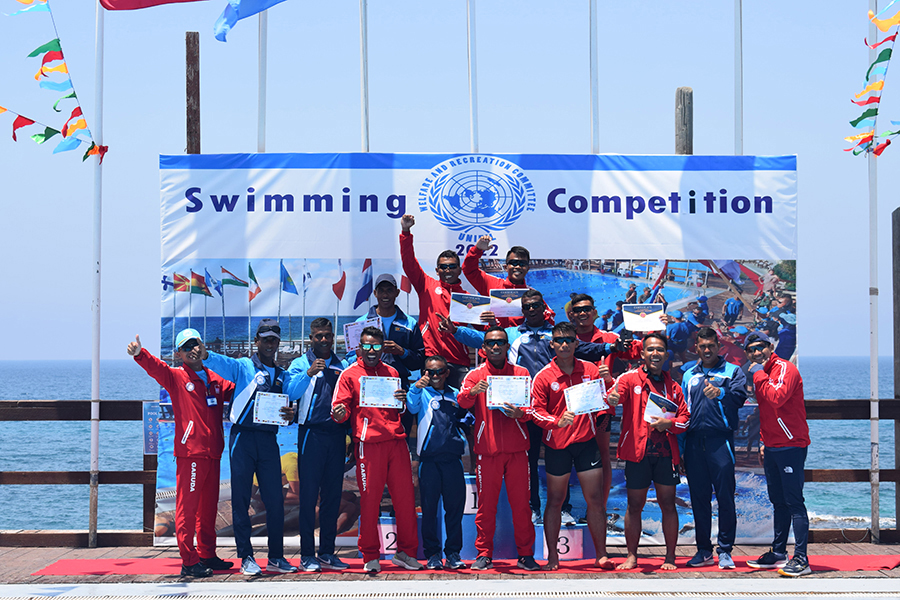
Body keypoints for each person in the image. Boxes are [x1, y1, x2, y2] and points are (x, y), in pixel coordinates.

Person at [128, 330, 234, 577]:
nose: (192, 350)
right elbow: (156, 368)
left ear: (202, 345)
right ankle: (189, 561)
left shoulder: (215, 380)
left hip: (214, 453)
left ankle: (207, 554)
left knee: (208, 508)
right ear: (179, 354)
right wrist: (140, 354)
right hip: (191, 454)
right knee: (187, 509)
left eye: (194, 344)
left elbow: (240, 391)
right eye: (185, 347)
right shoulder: (176, 377)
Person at [201, 319, 299, 576]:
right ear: (256, 342)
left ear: (278, 343)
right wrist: (206, 355)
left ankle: (276, 557)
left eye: (273, 339)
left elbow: (289, 407)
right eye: (264, 338)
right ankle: (246, 557)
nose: (269, 343)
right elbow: (223, 364)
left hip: (268, 441)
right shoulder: (244, 367)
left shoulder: (282, 375)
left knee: (275, 501)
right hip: (242, 440)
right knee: (241, 499)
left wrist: (290, 414)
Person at [331, 326, 424, 573]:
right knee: (370, 502)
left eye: (376, 346)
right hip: (368, 445)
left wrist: (402, 401)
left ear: (383, 347)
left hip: (396, 442)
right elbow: (340, 410)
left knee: (405, 501)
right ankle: (370, 555)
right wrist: (340, 414)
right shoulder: (349, 374)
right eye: (367, 345)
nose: (371, 351)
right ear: (359, 347)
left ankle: (406, 552)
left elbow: (398, 409)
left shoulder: (392, 371)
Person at [530, 322, 616, 571]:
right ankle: (553, 557)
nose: (565, 344)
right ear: (552, 344)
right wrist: (557, 422)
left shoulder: (590, 369)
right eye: (560, 340)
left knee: (596, 500)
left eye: (569, 339)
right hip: (558, 446)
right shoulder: (544, 376)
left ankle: (601, 554)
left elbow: (606, 400)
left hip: (586, 443)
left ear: (577, 343)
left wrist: (611, 392)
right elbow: (536, 412)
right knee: (555, 500)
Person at [457, 326, 539, 571]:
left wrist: (520, 414)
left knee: (522, 505)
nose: (495, 347)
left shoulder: (522, 372)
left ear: (506, 346)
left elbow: (532, 408)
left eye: (500, 342)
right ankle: (484, 553)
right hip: (488, 451)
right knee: (486, 506)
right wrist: (473, 392)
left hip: (517, 451)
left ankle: (525, 555)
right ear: (483, 348)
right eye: (491, 343)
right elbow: (462, 402)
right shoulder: (475, 375)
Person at [613, 332, 689, 571]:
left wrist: (671, 424)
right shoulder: (628, 379)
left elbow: (685, 419)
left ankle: (670, 557)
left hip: (666, 455)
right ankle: (632, 556)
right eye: (650, 350)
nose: (655, 353)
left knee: (668, 504)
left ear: (666, 355)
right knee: (634, 505)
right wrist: (612, 397)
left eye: (659, 350)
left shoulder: (673, 386)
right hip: (638, 453)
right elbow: (613, 396)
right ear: (643, 354)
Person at [284, 318, 350, 572]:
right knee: (309, 497)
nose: (323, 340)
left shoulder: (341, 364)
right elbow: (290, 392)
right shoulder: (300, 363)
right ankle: (307, 555)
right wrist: (308, 372)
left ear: (333, 338)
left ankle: (327, 553)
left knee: (332, 496)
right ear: (310, 338)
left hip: (336, 435)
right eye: (318, 336)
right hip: (310, 435)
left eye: (327, 336)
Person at [743, 332, 812, 577]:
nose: (755, 352)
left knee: (794, 501)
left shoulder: (784, 368)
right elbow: (765, 412)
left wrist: (758, 373)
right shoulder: (762, 373)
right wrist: (763, 441)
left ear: (770, 347)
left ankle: (802, 559)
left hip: (791, 445)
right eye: (750, 350)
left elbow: (776, 398)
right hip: (772, 446)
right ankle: (779, 552)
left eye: (760, 347)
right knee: (778, 501)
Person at [680, 327, 748, 570]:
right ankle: (704, 550)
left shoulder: (732, 371)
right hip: (694, 443)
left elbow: (740, 397)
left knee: (725, 497)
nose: (707, 350)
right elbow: (683, 410)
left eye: (711, 345)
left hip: (721, 442)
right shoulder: (688, 374)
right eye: (702, 346)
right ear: (696, 348)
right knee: (699, 500)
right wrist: (680, 448)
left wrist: (720, 393)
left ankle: (726, 550)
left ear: (718, 347)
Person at [406, 355, 467, 570]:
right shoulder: (420, 392)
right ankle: (432, 554)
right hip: (429, 461)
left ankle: (453, 553)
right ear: (425, 373)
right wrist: (415, 387)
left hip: (452, 460)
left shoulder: (456, 395)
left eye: (439, 371)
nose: (435, 376)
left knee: (454, 510)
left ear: (446, 373)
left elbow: (466, 418)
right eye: (430, 372)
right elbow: (412, 408)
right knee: (430, 510)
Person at [399, 214, 472, 388]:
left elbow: (480, 333)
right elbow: (409, 264)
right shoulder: (426, 285)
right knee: (428, 406)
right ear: (437, 270)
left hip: (459, 362)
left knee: (460, 407)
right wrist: (406, 232)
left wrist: (491, 321)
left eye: (452, 266)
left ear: (459, 270)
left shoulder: (468, 297)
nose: (448, 270)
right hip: (431, 361)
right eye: (444, 267)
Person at [462, 235, 554, 327]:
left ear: (527, 268)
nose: (518, 267)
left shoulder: (531, 294)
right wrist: (477, 250)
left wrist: (537, 314)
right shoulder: (491, 283)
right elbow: (469, 269)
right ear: (506, 267)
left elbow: (551, 318)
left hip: (522, 340)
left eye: (522, 264)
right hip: (494, 339)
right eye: (513, 263)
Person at [351, 274, 425, 388]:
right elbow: (350, 359)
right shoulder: (360, 323)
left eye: (390, 290)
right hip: (368, 381)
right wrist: (361, 356)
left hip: (399, 383)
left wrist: (402, 352)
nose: (385, 295)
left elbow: (419, 362)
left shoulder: (410, 324)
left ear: (397, 293)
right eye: (381, 291)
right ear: (375, 293)